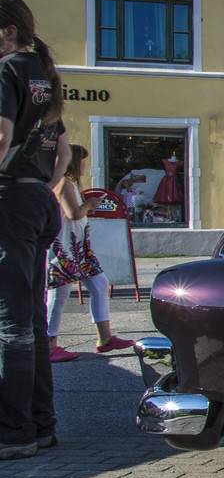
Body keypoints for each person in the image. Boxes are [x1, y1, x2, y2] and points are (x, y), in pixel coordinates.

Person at [0, 0, 69, 460]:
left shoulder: (6, 70)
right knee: (31, 323)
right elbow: (63, 152)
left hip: (10, 198)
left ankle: (13, 432)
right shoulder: (44, 77)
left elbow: (1, 134)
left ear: (7, 32)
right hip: (39, 200)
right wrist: (46, 186)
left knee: (10, 322)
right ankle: (40, 425)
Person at [47, 144, 133, 362]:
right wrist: (89, 204)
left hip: (78, 249)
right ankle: (49, 344)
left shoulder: (69, 183)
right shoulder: (64, 184)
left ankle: (105, 338)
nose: (85, 165)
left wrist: (86, 206)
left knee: (99, 284)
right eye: (82, 160)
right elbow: (73, 214)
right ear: (74, 162)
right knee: (59, 294)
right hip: (65, 249)